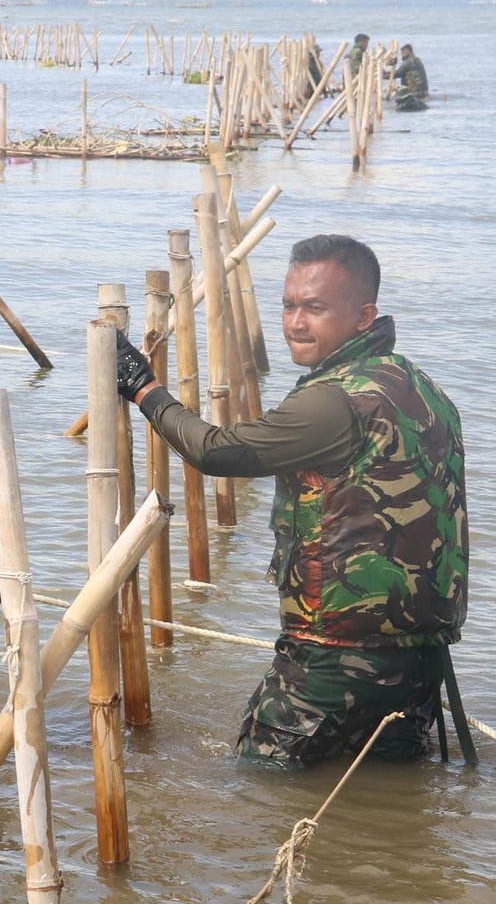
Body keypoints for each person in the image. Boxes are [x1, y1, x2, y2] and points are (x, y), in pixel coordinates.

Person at [116, 234, 468, 765]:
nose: (295, 323)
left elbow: (217, 451)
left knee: (258, 787)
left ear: (364, 316)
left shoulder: (334, 400)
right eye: (288, 306)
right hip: (421, 662)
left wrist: (144, 388)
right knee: (385, 795)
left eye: (315, 308)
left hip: (333, 661)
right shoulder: (421, 386)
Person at [389, 44, 430, 111]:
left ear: (408, 51)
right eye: (402, 53)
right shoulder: (417, 59)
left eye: (403, 53)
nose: (402, 55)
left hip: (414, 93)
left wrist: (381, 74)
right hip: (423, 92)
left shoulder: (409, 62)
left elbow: (396, 74)